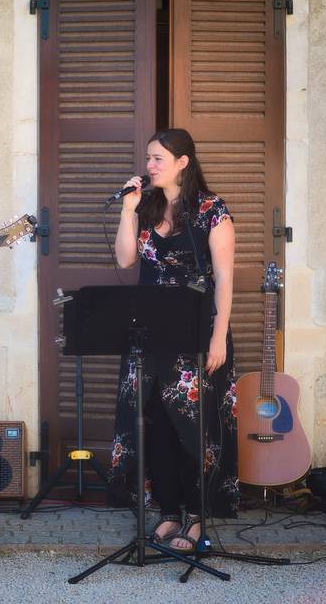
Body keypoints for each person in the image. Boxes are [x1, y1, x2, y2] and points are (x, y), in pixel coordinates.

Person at [108, 128, 238, 551]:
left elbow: (224, 279)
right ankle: (167, 511)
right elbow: (126, 259)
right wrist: (128, 209)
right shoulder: (145, 206)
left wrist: (219, 337)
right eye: (148, 158)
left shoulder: (211, 210)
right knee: (155, 426)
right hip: (148, 335)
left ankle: (197, 516)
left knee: (194, 431)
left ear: (183, 162)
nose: (149, 166)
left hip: (196, 335)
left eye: (158, 158)